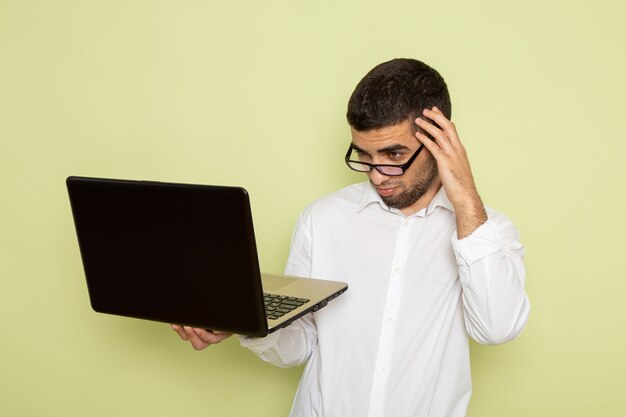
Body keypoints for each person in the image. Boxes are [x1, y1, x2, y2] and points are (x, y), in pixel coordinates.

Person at [171, 58, 530, 417]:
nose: (376, 176)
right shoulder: (322, 219)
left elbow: (497, 328)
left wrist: (465, 196)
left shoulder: (486, 231)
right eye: (364, 155)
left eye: (394, 155)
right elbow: (301, 342)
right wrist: (246, 324)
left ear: (440, 141)